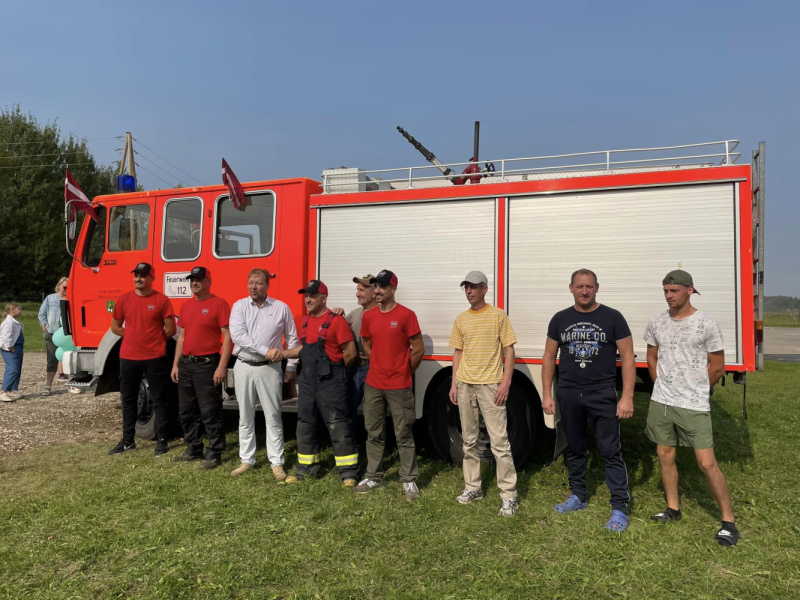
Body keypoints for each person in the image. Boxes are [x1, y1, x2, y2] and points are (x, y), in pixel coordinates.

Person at [644, 269, 738, 546]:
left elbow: (718, 367)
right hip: (662, 401)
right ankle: (673, 508)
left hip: (694, 404)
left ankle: (728, 522)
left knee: (707, 464)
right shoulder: (657, 322)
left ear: (689, 290)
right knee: (664, 454)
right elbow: (651, 358)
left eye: (673, 290)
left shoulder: (706, 324)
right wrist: (661, 387)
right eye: (665, 291)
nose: (669, 295)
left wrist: (697, 389)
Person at [542, 269, 635, 532]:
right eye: (580, 286)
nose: (585, 291)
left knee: (609, 450)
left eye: (590, 286)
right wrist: (547, 394)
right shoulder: (560, 319)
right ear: (570, 288)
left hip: (601, 392)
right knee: (574, 447)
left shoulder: (613, 317)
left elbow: (628, 357)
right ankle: (578, 496)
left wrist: (626, 397)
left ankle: (619, 507)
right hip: (569, 392)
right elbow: (549, 357)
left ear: (597, 288)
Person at [449, 271, 519, 517]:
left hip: (491, 385)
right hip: (465, 384)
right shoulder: (461, 319)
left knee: (499, 442)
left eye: (474, 287)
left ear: (485, 289)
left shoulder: (499, 316)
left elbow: (509, 350)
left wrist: (505, 382)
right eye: (466, 287)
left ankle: (509, 495)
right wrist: (454, 384)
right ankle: (473, 487)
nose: (469, 291)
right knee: (469, 441)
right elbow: (458, 353)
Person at [353, 270, 425, 501]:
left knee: (403, 433)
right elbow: (366, 342)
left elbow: (418, 348)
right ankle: (374, 476)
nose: (377, 291)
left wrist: (403, 370)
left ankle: (409, 480)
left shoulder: (406, 315)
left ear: (393, 289)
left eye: (382, 287)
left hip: (399, 385)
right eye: (375, 287)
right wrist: (379, 362)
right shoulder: (369, 316)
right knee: (373, 432)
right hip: (374, 384)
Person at [282, 280, 359, 485]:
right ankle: (306, 469)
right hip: (308, 380)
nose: (308, 299)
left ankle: (348, 473)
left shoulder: (337, 322)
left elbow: (350, 353)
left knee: (337, 425)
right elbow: (304, 348)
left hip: (331, 381)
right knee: (305, 424)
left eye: (313, 296)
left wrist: (338, 373)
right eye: (306, 295)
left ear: (323, 298)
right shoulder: (306, 320)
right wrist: (283, 354)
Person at [228, 268, 300, 480]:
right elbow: (238, 335)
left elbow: (293, 340)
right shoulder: (240, 306)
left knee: (273, 415)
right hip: (244, 365)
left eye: (258, 283)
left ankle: (276, 463)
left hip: (270, 368)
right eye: (250, 282)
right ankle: (246, 460)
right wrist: (265, 350)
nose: (253, 286)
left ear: (267, 285)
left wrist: (290, 367)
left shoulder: (281, 308)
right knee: (245, 415)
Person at [108, 263, 176, 456]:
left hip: (155, 357)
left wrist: (152, 341)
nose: (139, 279)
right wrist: (131, 336)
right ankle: (128, 441)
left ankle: (162, 441)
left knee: (159, 399)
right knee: (128, 399)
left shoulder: (162, 300)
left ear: (152, 278)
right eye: (136, 275)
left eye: (143, 276)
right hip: (128, 357)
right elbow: (115, 327)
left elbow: (170, 330)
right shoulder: (124, 300)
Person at [170, 267, 232, 470]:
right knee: (186, 411)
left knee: (209, 411)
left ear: (208, 281)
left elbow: (228, 337)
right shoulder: (186, 305)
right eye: (191, 279)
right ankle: (193, 448)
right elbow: (182, 337)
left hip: (207, 365)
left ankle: (215, 453)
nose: (194, 283)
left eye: (198, 279)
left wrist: (222, 367)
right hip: (187, 364)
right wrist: (176, 364)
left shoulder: (219, 304)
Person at [344, 274, 377, 428]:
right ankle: (348, 448)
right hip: (354, 368)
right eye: (357, 289)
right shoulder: (354, 314)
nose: (357, 293)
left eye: (362, 290)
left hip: (373, 368)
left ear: (374, 291)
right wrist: (336, 314)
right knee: (348, 410)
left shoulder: (382, 313)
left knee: (373, 413)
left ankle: (373, 448)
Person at [38, 277, 68, 396]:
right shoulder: (50, 298)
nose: (66, 289)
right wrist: (44, 329)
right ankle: (48, 385)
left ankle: (72, 382)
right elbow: (42, 314)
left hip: (67, 335)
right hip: (52, 332)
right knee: (52, 359)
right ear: (59, 286)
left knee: (69, 358)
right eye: (65, 287)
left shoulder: (72, 298)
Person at [1, 302, 24, 403]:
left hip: (18, 348)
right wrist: (10, 346)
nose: (21, 311)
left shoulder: (14, 322)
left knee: (17, 369)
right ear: (13, 310)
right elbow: (6, 336)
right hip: (10, 349)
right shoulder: (8, 322)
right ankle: (3, 391)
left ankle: (11, 390)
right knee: (12, 370)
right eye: (19, 309)